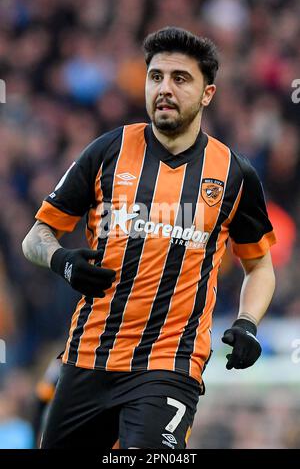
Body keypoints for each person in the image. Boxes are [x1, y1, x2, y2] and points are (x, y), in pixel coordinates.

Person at [22, 27, 276, 449]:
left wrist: (248, 323)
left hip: (169, 365)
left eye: (180, 79)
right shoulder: (108, 150)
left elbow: (260, 265)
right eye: (156, 76)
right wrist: (60, 260)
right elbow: (36, 235)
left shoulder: (234, 174)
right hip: (89, 355)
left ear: (207, 94)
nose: (165, 88)